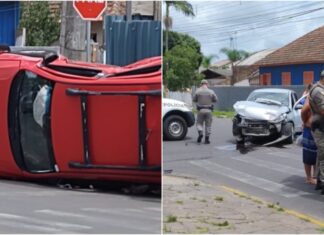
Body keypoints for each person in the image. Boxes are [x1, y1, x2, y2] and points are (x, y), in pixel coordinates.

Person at [309, 70, 324, 193]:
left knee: (321, 154)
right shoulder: (318, 91)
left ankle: (319, 180)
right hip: (319, 127)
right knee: (323, 153)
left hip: (320, 126)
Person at [193, 79, 217, 144]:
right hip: (209, 110)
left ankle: (200, 132)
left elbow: (194, 99)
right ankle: (207, 139)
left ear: (201, 84)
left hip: (200, 110)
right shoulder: (211, 91)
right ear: (207, 84)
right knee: (208, 125)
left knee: (199, 123)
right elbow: (215, 100)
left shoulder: (198, 91)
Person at [301, 92, 317, 185]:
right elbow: (304, 110)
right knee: (309, 154)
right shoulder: (313, 95)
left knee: (318, 154)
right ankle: (309, 177)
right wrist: (305, 121)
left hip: (317, 129)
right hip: (311, 128)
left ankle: (315, 176)